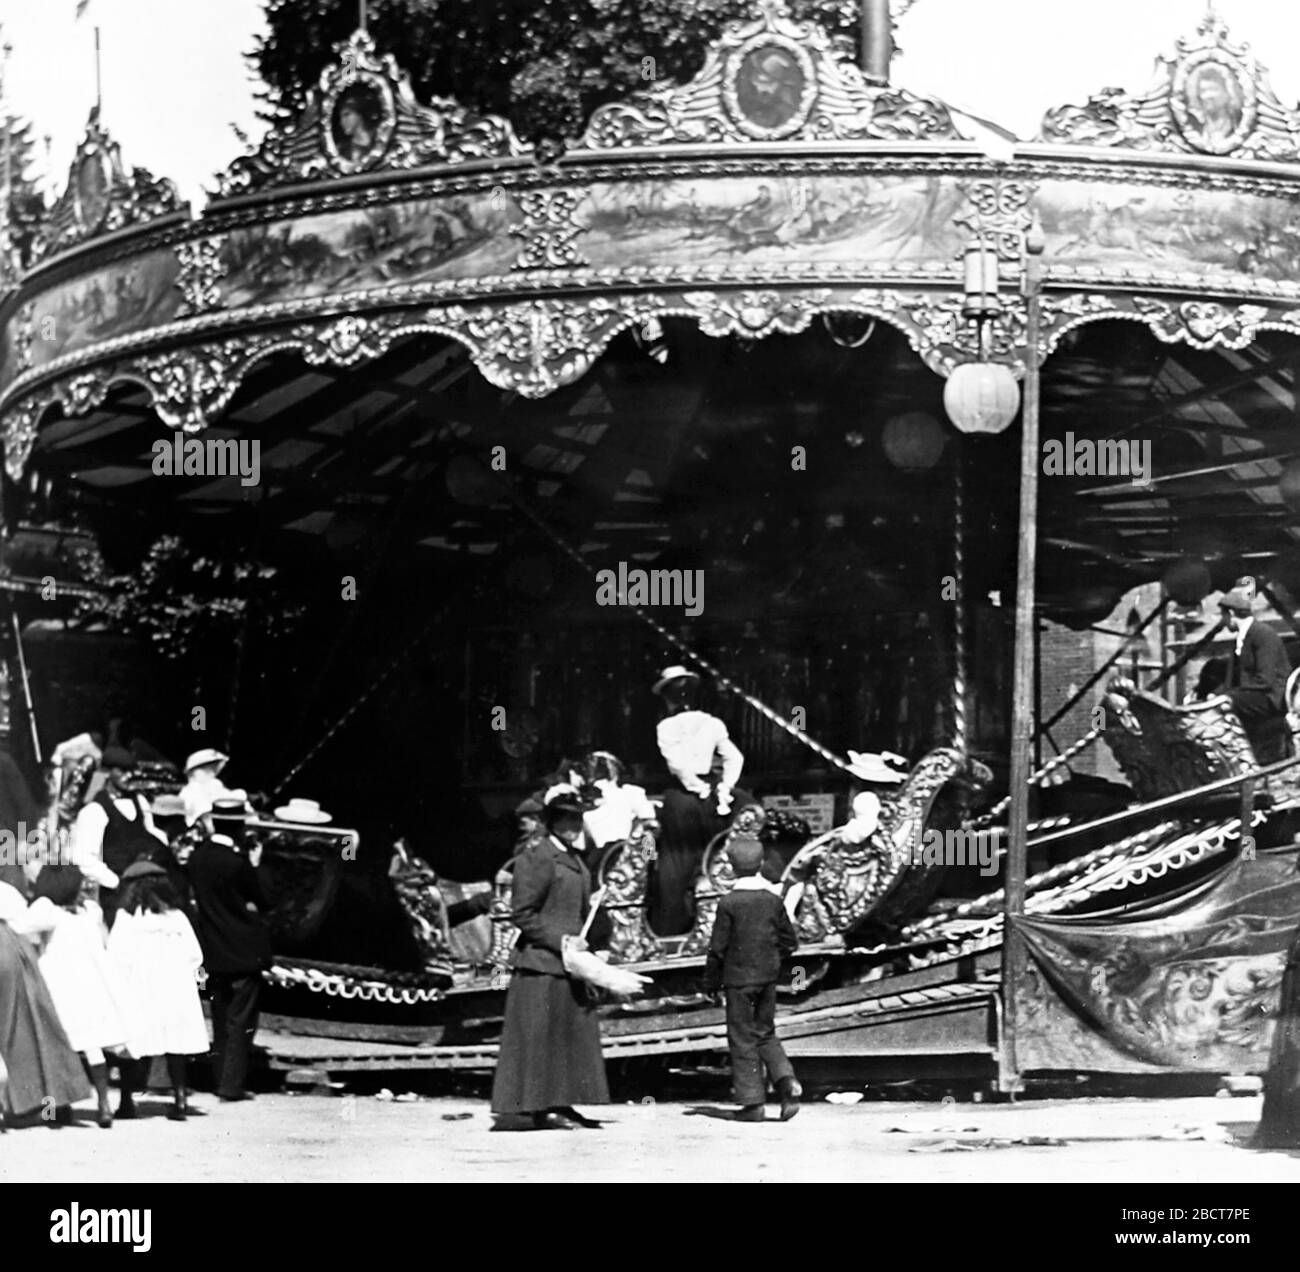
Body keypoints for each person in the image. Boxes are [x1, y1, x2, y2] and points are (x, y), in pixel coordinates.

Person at [490, 787, 609, 1130]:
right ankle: (542, 1107)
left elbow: (577, 907)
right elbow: (522, 914)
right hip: (542, 963)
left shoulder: (572, 857)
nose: (573, 825)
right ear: (552, 822)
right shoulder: (538, 857)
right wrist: (562, 941)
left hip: (569, 965)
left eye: (577, 818)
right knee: (544, 1038)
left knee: (568, 1037)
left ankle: (562, 1102)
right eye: (566, 819)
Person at [702, 835, 799, 1123]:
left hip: (738, 980)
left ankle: (752, 1103)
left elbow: (717, 949)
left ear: (731, 867)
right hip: (767, 978)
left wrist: (710, 983)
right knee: (766, 1032)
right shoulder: (772, 900)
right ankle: (786, 1081)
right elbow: (789, 942)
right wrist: (771, 960)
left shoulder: (728, 903)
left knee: (742, 1038)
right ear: (761, 864)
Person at [652, 666, 754, 935]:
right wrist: (725, 787)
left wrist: (696, 787)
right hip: (712, 793)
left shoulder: (666, 726)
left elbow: (677, 765)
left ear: (669, 697)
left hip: (684, 796)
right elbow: (735, 757)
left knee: (675, 861)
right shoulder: (712, 723)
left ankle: (676, 927)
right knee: (718, 856)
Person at [24, 864, 129, 1128]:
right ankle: (104, 1103)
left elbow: (25, 927)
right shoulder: (89, 913)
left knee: (55, 1048)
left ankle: (59, 1108)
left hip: (57, 986)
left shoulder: (48, 913)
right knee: (92, 1046)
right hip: (87, 988)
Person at [108, 861, 209, 1121]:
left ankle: (127, 1102)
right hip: (175, 990)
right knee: (175, 1045)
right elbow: (195, 956)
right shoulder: (177, 917)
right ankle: (179, 1098)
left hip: (141, 988)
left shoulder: (127, 918)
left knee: (133, 1044)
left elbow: (117, 956)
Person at [185, 799, 270, 1103]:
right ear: (238, 827)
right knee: (241, 1022)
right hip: (243, 951)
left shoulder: (197, 858)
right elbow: (262, 898)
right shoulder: (237, 863)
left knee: (220, 1020)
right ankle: (231, 1086)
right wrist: (255, 866)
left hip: (212, 951)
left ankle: (221, 1078)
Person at [0, 875, 91, 1127]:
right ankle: (53, 1101)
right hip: (14, 949)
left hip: (7, 946)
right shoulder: (7, 891)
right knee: (35, 1027)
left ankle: (21, 1106)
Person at [69, 746, 167, 928]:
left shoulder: (139, 801)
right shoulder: (95, 810)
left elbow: (150, 832)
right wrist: (116, 883)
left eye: (131, 771)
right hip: (116, 895)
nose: (128, 776)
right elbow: (83, 858)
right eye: (122, 771)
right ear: (107, 772)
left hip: (147, 890)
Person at [1218, 588, 1291, 763]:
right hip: (1256, 694)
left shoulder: (1262, 634)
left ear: (1230, 613)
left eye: (1223, 615)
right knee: (1219, 701)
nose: (1223, 620)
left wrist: (1228, 696)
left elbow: (1266, 680)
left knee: (1224, 704)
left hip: (1271, 698)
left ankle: (1238, 758)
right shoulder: (1243, 638)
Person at [179, 749, 234, 827]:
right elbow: (204, 817)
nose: (213, 772)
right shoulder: (189, 792)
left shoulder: (216, 785)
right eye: (208, 768)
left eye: (214, 768)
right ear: (194, 771)